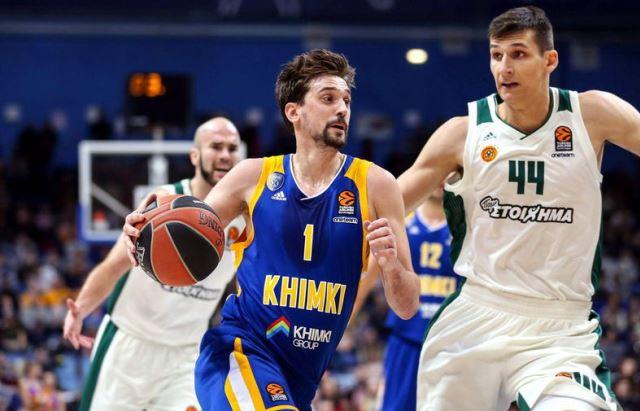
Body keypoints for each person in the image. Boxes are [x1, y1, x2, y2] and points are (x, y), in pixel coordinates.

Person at [396, 6, 640, 411]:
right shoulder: (463, 132)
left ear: (550, 60)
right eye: (496, 55)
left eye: (518, 54)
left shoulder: (591, 115)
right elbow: (387, 204)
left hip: (560, 330)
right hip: (476, 319)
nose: (504, 67)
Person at [122, 49, 420, 411]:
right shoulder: (253, 176)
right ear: (294, 111)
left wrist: (391, 267)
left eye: (346, 100)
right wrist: (147, 227)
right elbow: (191, 227)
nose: (342, 109)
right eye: (328, 98)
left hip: (298, 384)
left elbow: (407, 306)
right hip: (239, 353)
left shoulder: (376, 185)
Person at [63, 117, 244, 411]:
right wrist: (80, 308)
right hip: (129, 346)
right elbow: (112, 267)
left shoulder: (245, 221)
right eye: (216, 146)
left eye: (232, 148)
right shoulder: (161, 205)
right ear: (195, 155)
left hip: (185, 354)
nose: (225, 154)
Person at [356, 184, 459, 411]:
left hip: (453, 342)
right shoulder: (400, 220)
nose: (441, 181)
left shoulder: (465, 224)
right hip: (406, 338)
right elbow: (367, 276)